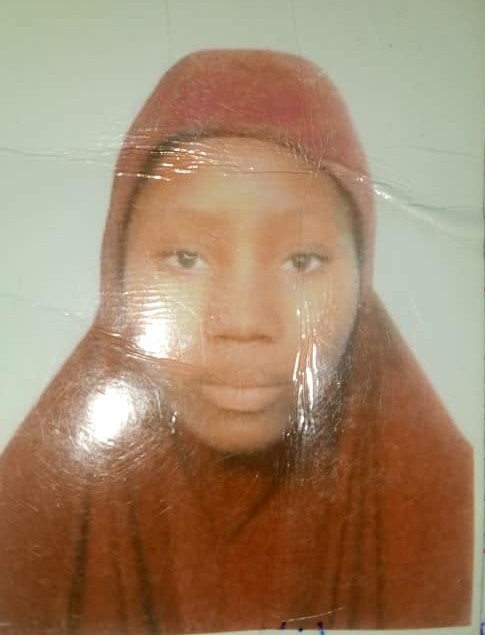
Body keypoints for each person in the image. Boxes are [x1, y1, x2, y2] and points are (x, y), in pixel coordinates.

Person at [0, 50, 473, 634]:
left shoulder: (448, 496)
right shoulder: (32, 506)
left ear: (362, 274)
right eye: (186, 258)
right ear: (117, 272)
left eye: (303, 260)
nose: (245, 321)